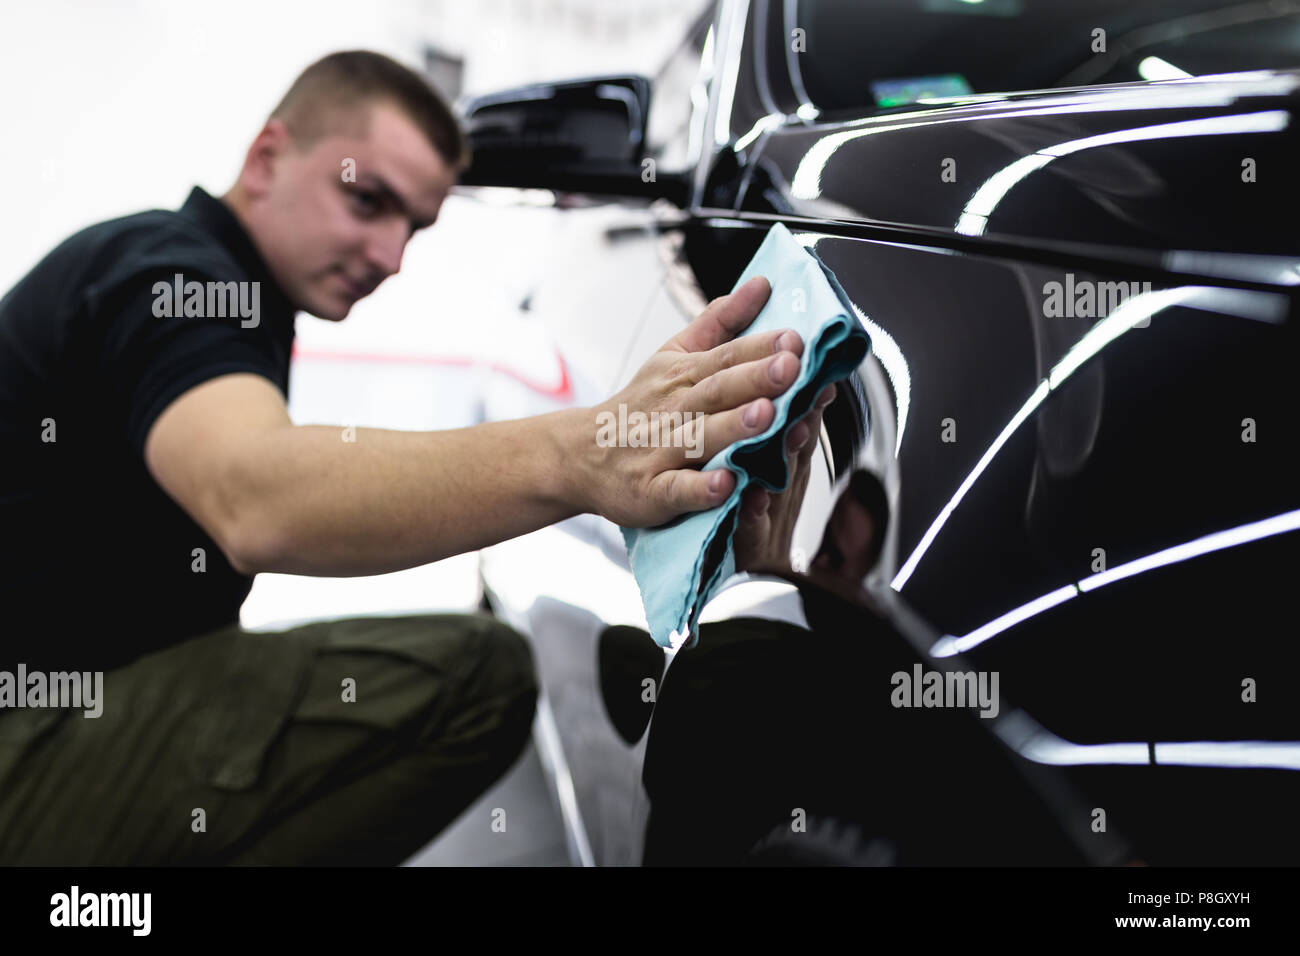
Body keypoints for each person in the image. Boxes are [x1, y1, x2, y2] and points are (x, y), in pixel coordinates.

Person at [0, 50, 827, 865]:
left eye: (415, 227)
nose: (392, 256)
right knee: (480, 674)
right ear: (266, 159)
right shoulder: (170, 273)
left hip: (68, 707)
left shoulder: (215, 285)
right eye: (367, 200)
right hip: (24, 746)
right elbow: (256, 499)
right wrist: (583, 454)